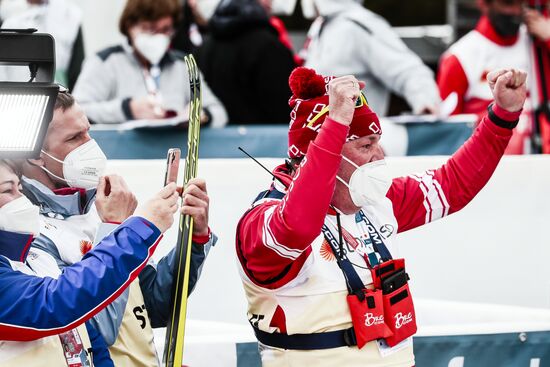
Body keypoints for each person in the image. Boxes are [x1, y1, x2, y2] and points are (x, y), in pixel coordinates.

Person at [235, 66, 526, 366]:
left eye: (377, 143)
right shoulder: (263, 221)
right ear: (323, 151)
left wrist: (502, 115)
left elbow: (452, 185)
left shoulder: (374, 202)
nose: (380, 156)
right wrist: (335, 125)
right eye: (365, 145)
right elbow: (298, 226)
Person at [17, 91, 216, 366]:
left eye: (88, 132)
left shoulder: (100, 204)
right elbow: (96, 331)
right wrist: (116, 229)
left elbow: (155, 305)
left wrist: (194, 238)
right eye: (74, 138)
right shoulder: (28, 233)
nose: (90, 146)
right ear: (36, 156)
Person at [0, 158, 179, 365]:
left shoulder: (36, 259)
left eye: (20, 189)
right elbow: (57, 303)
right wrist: (138, 230)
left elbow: (91, 343)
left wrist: (195, 242)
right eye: (7, 191)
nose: (21, 199)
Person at [72, 0, 228, 127]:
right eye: (150, 29)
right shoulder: (105, 62)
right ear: (129, 26)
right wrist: (128, 109)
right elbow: (77, 111)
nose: (159, 37)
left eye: (166, 29)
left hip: (174, 154)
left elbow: (219, 113)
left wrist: (202, 115)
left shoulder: (184, 65)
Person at [437, 0, 550, 154]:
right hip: (482, 168)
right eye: (508, 3)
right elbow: (446, 135)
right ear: (484, 4)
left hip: (535, 162)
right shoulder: (459, 57)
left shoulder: (537, 41)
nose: (516, 11)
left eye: (520, 3)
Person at [302, 0, 440, 117]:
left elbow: (408, 71)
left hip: (355, 140)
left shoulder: (358, 25)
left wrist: (426, 103)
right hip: (323, 140)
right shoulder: (321, 27)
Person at [194, 0, 296, 124]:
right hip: (266, 140)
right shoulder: (269, 46)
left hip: (212, 140)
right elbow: (288, 109)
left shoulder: (204, 47)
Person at [0, 0, 84, 90]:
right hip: (9, 93)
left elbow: (76, 70)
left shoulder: (70, 16)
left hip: (54, 94)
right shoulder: (7, 13)